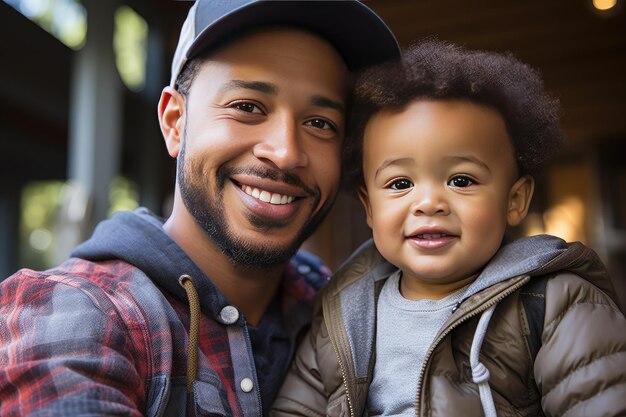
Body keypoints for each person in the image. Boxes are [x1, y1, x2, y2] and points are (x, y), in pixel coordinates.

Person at [0, 1, 400, 416]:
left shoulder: (349, 307)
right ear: (175, 122)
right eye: (247, 107)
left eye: (321, 123)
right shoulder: (77, 313)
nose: (284, 152)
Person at [271, 40, 626, 417]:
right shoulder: (344, 312)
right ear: (368, 207)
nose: (428, 203)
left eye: (461, 180)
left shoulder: (556, 304)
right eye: (399, 184)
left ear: (515, 200)